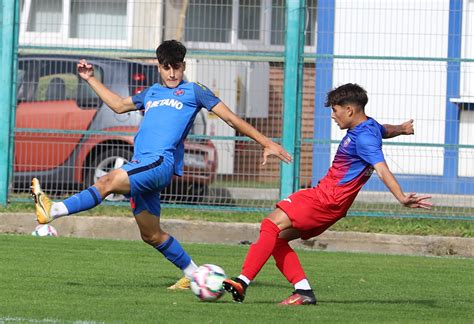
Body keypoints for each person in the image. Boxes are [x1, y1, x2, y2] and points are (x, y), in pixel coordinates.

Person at [31, 40, 292, 290]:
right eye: (166, 67)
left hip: (159, 163)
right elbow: (119, 105)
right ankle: (193, 275)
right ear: (159, 66)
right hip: (141, 164)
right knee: (152, 235)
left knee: (106, 181)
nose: (172, 72)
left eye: (176, 67)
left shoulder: (194, 91)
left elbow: (232, 120)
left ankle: (53, 209)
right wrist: (90, 79)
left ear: (184, 66)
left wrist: (265, 142)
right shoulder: (152, 93)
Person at [222, 83, 432, 305]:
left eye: (335, 110)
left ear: (349, 110)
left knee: (270, 225)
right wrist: (402, 128)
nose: (333, 116)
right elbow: (385, 130)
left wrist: (401, 197)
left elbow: (381, 169)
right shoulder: (370, 127)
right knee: (276, 241)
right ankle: (303, 292)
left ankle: (242, 282)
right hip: (332, 206)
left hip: (324, 199)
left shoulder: (365, 138)